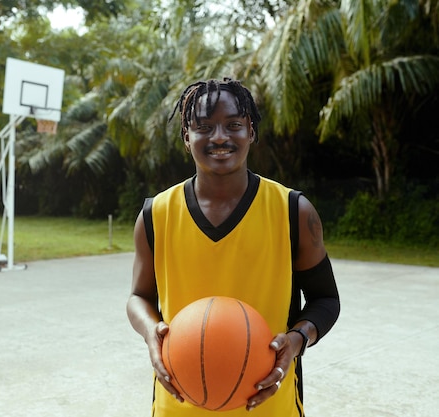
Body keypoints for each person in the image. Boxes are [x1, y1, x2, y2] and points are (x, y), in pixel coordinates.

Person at [126, 78, 340, 417]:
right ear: (186, 138)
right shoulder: (156, 214)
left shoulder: (293, 211)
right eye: (204, 127)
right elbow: (139, 297)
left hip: (271, 404)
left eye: (234, 125)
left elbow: (326, 299)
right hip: (178, 403)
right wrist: (151, 332)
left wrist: (297, 340)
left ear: (251, 131)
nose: (220, 137)